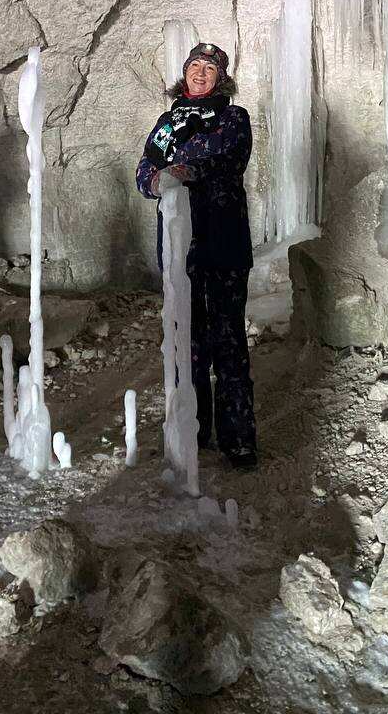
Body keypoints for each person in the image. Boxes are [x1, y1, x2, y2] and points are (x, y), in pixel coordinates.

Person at [136, 43, 257, 470]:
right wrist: (157, 180)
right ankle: (193, 428)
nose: (200, 74)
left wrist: (180, 172)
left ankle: (238, 438)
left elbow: (228, 161)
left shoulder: (233, 118)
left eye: (209, 68)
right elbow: (144, 172)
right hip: (179, 251)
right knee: (187, 342)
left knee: (227, 341)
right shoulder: (168, 122)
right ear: (183, 74)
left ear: (220, 77)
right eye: (194, 67)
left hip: (222, 244)